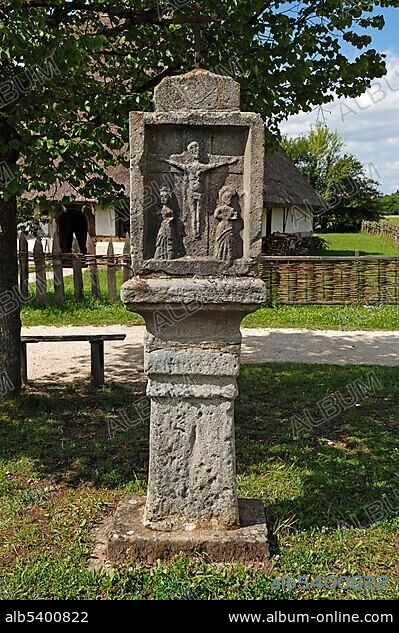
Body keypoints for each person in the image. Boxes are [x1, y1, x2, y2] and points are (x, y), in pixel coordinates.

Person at [214, 188, 240, 262]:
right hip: (222, 226)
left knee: (229, 241)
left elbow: (236, 217)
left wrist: (231, 217)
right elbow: (216, 215)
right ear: (223, 199)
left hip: (229, 226)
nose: (229, 200)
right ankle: (219, 255)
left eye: (231, 198)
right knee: (220, 241)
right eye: (227, 198)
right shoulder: (220, 208)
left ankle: (229, 256)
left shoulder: (232, 209)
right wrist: (224, 217)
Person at [154, 186, 175, 260]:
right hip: (163, 226)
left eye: (165, 197)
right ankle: (160, 255)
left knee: (168, 241)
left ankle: (168, 257)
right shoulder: (162, 208)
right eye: (161, 196)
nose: (163, 198)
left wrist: (169, 219)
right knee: (160, 240)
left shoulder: (169, 208)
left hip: (168, 226)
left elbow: (172, 216)